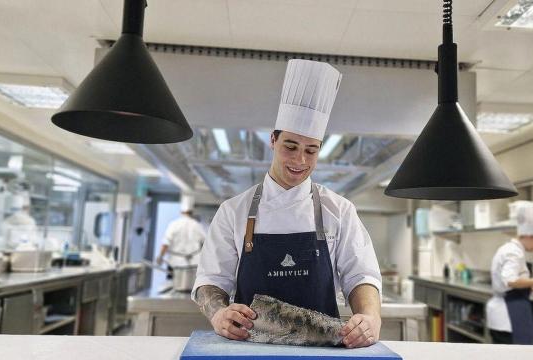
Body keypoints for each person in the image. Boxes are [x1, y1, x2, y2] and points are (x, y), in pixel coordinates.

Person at [193, 59, 382, 348]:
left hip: (322, 352)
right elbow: (211, 279)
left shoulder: (339, 210)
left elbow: (361, 274)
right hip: (247, 349)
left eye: (311, 150)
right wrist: (218, 313)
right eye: (290, 147)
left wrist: (369, 317)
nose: (300, 161)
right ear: (273, 140)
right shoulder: (233, 211)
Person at [486, 202, 533, 345]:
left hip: (504, 315)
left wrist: (529, 285)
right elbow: (510, 280)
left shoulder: (510, 248)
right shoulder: (514, 252)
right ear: (529, 235)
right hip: (509, 317)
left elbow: (513, 282)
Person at [157, 194, 206, 279]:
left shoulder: (173, 225)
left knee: (173, 286)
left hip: (175, 264)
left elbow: (165, 243)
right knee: (190, 288)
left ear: (181, 212)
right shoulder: (197, 225)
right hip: (193, 265)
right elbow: (206, 243)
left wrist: (160, 257)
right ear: (192, 212)